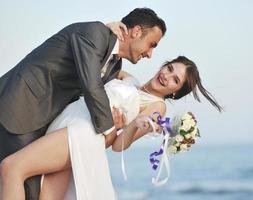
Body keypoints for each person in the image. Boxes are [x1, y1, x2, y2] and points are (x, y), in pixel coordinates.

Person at [0, 56, 222, 199]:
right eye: (169, 68)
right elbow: (101, 63)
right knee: (46, 197)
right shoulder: (129, 79)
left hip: (80, 136)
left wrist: (131, 125)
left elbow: (118, 145)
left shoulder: (157, 107)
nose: (166, 76)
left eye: (175, 80)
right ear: (163, 64)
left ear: (175, 91)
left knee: (11, 167)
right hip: (65, 124)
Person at [0, 8, 166, 199]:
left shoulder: (114, 65)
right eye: (151, 44)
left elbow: (89, 95)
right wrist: (110, 129)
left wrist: (117, 121)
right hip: (19, 105)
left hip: (43, 120)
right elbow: (91, 86)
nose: (150, 54)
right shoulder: (95, 33)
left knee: (28, 188)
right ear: (136, 32)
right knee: (15, 173)